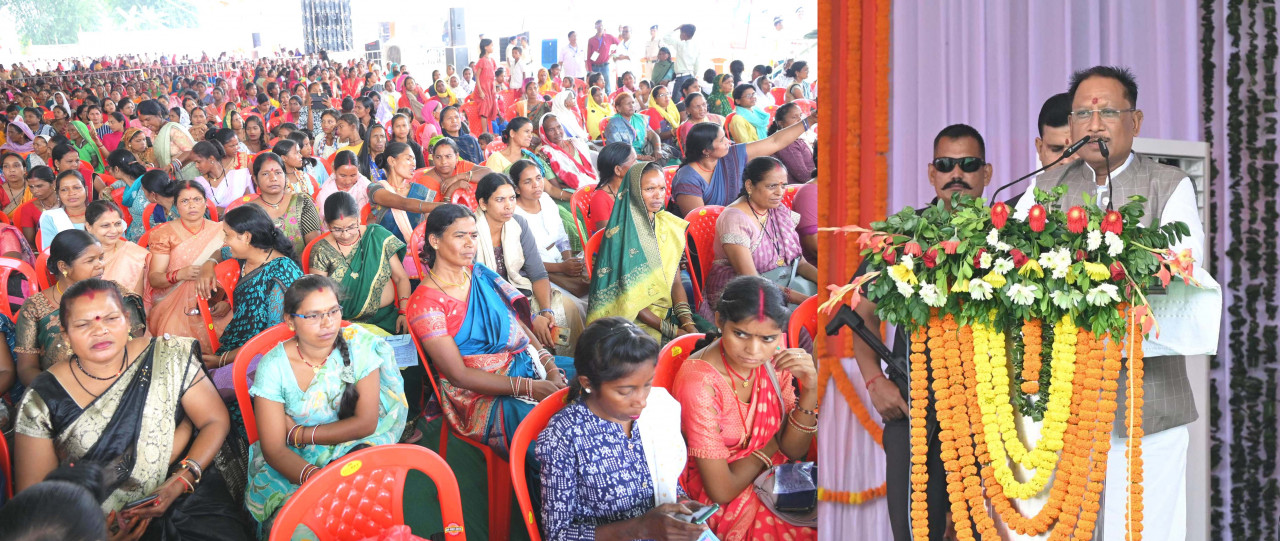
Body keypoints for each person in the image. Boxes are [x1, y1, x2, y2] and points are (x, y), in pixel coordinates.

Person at [1011, 66, 1207, 541]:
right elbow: (1006, 262)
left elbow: (1181, 268)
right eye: (1083, 112)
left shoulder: (1170, 184)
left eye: (1107, 111)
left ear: (1135, 122)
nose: (1094, 123)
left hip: (1146, 400)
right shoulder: (1045, 187)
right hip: (1060, 400)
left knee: (1145, 530)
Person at [14, 278, 251, 540]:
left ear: (128, 320)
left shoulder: (168, 355)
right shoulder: (43, 397)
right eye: (83, 324)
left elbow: (214, 420)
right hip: (96, 518)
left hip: (185, 492)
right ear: (65, 331)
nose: (99, 330)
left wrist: (182, 480)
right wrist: (89, 530)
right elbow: (37, 495)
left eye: (111, 319)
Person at [851, 123, 993, 541]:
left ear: (986, 173)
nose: (957, 174)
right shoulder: (903, 238)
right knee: (916, 532)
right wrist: (875, 381)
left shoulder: (1009, 239)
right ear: (932, 173)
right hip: (915, 409)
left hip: (990, 411)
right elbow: (860, 315)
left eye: (968, 165)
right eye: (946, 165)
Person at [406, 204, 573, 459]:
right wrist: (529, 387)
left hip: (524, 362)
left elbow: (514, 323)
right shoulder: (425, 304)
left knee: (591, 377)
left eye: (473, 235)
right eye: (460, 236)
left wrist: (548, 362)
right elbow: (459, 375)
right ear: (435, 241)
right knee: (555, 437)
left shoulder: (479, 275)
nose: (470, 243)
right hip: (477, 394)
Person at [244, 275, 407, 533]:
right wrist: (316, 480)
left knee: (368, 509)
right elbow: (275, 449)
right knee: (304, 525)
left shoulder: (358, 345)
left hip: (354, 443)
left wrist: (300, 433)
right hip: (295, 458)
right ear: (289, 320)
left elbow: (366, 423)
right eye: (313, 315)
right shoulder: (274, 367)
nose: (328, 323)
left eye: (333, 311)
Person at [538, 317, 709, 541]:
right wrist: (639, 529)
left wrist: (682, 506)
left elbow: (664, 479)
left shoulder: (657, 411)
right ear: (588, 383)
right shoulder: (565, 434)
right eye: (625, 391)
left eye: (647, 384)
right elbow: (557, 534)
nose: (642, 401)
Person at [673, 276, 818, 541]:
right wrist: (773, 443)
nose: (753, 350)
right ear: (719, 321)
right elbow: (722, 489)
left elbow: (795, 449)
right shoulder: (700, 383)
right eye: (740, 334)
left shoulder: (776, 359)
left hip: (777, 475)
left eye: (767, 338)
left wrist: (809, 391)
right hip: (721, 496)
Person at [15, 229, 147, 386]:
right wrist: (57, 395)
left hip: (119, 384)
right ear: (63, 266)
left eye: (101, 258)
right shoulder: (35, 307)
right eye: (90, 260)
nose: (100, 265)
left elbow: (137, 352)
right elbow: (27, 368)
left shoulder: (118, 296)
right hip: (62, 392)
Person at [586, 162, 699, 343]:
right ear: (633, 191)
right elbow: (632, 302)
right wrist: (673, 331)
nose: (658, 195)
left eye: (662, 188)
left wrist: (687, 323)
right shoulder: (622, 234)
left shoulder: (667, 224)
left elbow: (675, 281)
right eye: (649, 189)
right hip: (633, 322)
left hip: (668, 313)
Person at [474, 172, 583, 353]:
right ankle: (542, 365)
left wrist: (546, 311)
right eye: (500, 200)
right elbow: (479, 289)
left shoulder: (518, 224)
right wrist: (531, 318)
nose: (509, 206)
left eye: (511, 198)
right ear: (483, 204)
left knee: (567, 309)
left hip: (520, 291)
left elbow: (538, 273)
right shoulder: (471, 232)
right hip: (488, 301)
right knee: (530, 327)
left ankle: (568, 365)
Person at [199, 204, 304, 389]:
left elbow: (273, 339)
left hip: (266, 359)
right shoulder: (247, 256)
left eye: (227, 235)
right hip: (237, 347)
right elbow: (220, 252)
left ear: (246, 237)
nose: (225, 241)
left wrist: (221, 360)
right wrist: (208, 265)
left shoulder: (281, 272)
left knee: (206, 391)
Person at [703, 156, 817, 315]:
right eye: (772, 186)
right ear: (749, 185)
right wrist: (804, 300)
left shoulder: (777, 210)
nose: (779, 192)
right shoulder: (735, 218)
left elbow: (801, 263)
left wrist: (828, 283)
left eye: (783, 186)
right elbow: (751, 279)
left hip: (782, 280)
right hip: (744, 292)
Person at [309, 192, 411, 335]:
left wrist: (404, 312)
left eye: (351, 227)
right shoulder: (321, 250)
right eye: (337, 229)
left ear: (358, 219)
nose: (345, 234)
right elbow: (319, 294)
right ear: (326, 224)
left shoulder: (377, 236)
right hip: (345, 326)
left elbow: (400, 278)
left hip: (387, 320)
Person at [146, 180, 229, 355]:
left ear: (206, 203)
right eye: (184, 201)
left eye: (197, 200)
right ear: (176, 205)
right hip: (175, 304)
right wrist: (180, 274)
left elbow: (236, 270)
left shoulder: (222, 230)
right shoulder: (163, 234)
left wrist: (227, 302)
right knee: (175, 339)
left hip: (218, 299)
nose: (192, 205)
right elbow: (155, 279)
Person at [672, 115, 812, 217]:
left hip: (738, 224)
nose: (728, 142)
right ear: (706, 150)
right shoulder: (687, 179)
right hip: (706, 239)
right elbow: (700, 220)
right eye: (722, 140)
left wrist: (810, 120)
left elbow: (775, 142)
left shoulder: (731, 155)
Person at [511, 159, 589, 301]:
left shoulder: (546, 199)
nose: (536, 185)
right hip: (539, 270)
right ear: (516, 188)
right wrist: (561, 268)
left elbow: (561, 236)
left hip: (560, 257)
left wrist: (569, 260)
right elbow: (522, 261)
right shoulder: (514, 215)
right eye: (528, 182)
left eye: (539, 178)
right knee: (576, 304)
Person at [241, 152, 321, 258]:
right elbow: (238, 245)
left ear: (285, 176)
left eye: (278, 173)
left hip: (302, 268)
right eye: (265, 174)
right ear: (255, 179)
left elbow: (314, 246)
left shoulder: (302, 202)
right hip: (265, 271)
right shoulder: (248, 211)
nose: (273, 178)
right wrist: (212, 260)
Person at [367, 141, 435, 243]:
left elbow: (431, 227)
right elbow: (403, 204)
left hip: (416, 253)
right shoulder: (376, 188)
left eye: (414, 159)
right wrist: (443, 206)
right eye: (408, 159)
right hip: (385, 252)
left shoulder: (421, 191)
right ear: (392, 161)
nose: (414, 164)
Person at [85, 200, 148, 299]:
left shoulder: (136, 255)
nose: (114, 231)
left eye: (118, 224)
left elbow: (137, 301)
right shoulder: (78, 255)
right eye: (106, 225)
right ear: (89, 227)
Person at [536, 113, 598, 198]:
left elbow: (590, 171)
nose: (557, 132)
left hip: (593, 185)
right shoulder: (545, 155)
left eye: (559, 127)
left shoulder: (577, 144)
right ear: (544, 133)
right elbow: (555, 188)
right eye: (551, 130)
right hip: (571, 195)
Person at [414, 137, 492, 203]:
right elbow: (437, 214)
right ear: (433, 158)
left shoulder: (461, 166)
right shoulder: (427, 180)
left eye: (448, 156)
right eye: (438, 157)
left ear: (457, 156)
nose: (443, 162)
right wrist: (452, 188)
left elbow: (489, 173)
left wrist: (458, 177)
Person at [139, 99, 198, 180]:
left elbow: (190, 151)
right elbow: (160, 158)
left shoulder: (172, 128)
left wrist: (173, 165)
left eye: (148, 119)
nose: (145, 124)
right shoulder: (154, 134)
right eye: (142, 121)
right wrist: (151, 166)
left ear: (159, 114)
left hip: (188, 174)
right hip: (172, 177)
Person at [585, 143, 636, 235]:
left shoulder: (631, 187)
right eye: (634, 161)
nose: (637, 165)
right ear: (618, 170)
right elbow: (609, 236)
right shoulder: (599, 199)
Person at [191, 140, 254, 212]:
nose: (196, 166)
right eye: (194, 163)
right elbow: (201, 209)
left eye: (198, 162)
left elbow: (250, 202)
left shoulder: (240, 176)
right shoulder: (199, 183)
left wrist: (226, 211)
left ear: (211, 159)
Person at [38, 170, 90, 251]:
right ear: (58, 194)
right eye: (64, 190)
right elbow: (50, 253)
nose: (71, 193)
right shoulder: (51, 217)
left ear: (86, 190)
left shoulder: (101, 213)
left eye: (76, 188)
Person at [605, 93, 663, 163]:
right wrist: (642, 157)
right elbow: (618, 151)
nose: (631, 106)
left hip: (645, 153)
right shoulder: (614, 124)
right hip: (626, 159)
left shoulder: (639, 119)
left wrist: (657, 149)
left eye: (632, 103)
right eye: (628, 103)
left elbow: (653, 135)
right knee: (651, 169)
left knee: (672, 161)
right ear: (618, 108)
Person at [768, 103, 816, 184]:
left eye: (801, 115)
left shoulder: (799, 138)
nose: (800, 119)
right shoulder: (788, 144)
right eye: (794, 117)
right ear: (781, 123)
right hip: (798, 189)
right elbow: (804, 176)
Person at [14, 165, 58, 248]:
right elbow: (30, 241)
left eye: (39, 186)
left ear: (53, 183)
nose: (35, 191)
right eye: (31, 187)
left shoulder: (67, 203)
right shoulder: (27, 209)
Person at [664, 25, 701, 100]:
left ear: (683, 34)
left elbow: (665, 38)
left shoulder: (680, 45)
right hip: (691, 76)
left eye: (680, 33)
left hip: (682, 77)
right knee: (690, 100)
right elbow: (697, 65)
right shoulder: (696, 47)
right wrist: (693, 75)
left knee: (676, 103)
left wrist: (675, 28)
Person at [474, 38, 500, 136]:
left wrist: (494, 90)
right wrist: (480, 91)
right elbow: (477, 77)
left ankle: (490, 133)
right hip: (483, 89)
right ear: (485, 47)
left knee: (490, 110)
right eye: (491, 45)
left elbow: (493, 77)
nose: (493, 47)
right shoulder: (482, 61)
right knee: (484, 112)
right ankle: (485, 134)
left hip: (490, 90)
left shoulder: (492, 61)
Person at [644, 84, 680, 149]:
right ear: (655, 99)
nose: (666, 97)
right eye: (662, 95)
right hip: (660, 149)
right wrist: (673, 132)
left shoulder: (671, 110)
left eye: (667, 93)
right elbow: (656, 136)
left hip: (671, 146)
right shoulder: (652, 111)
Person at [588, 20, 620, 93]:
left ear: (604, 26)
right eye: (598, 26)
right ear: (595, 27)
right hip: (594, 67)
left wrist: (613, 53)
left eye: (601, 25)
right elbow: (589, 56)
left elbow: (619, 44)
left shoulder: (609, 37)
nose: (600, 27)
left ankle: (608, 103)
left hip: (605, 66)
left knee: (607, 87)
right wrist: (590, 70)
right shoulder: (591, 40)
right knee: (594, 88)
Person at [1, 151, 33, 218]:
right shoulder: (1, 191)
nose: (11, 170)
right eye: (6, 166)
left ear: (24, 170)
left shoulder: (34, 186)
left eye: (16, 165)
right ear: (2, 171)